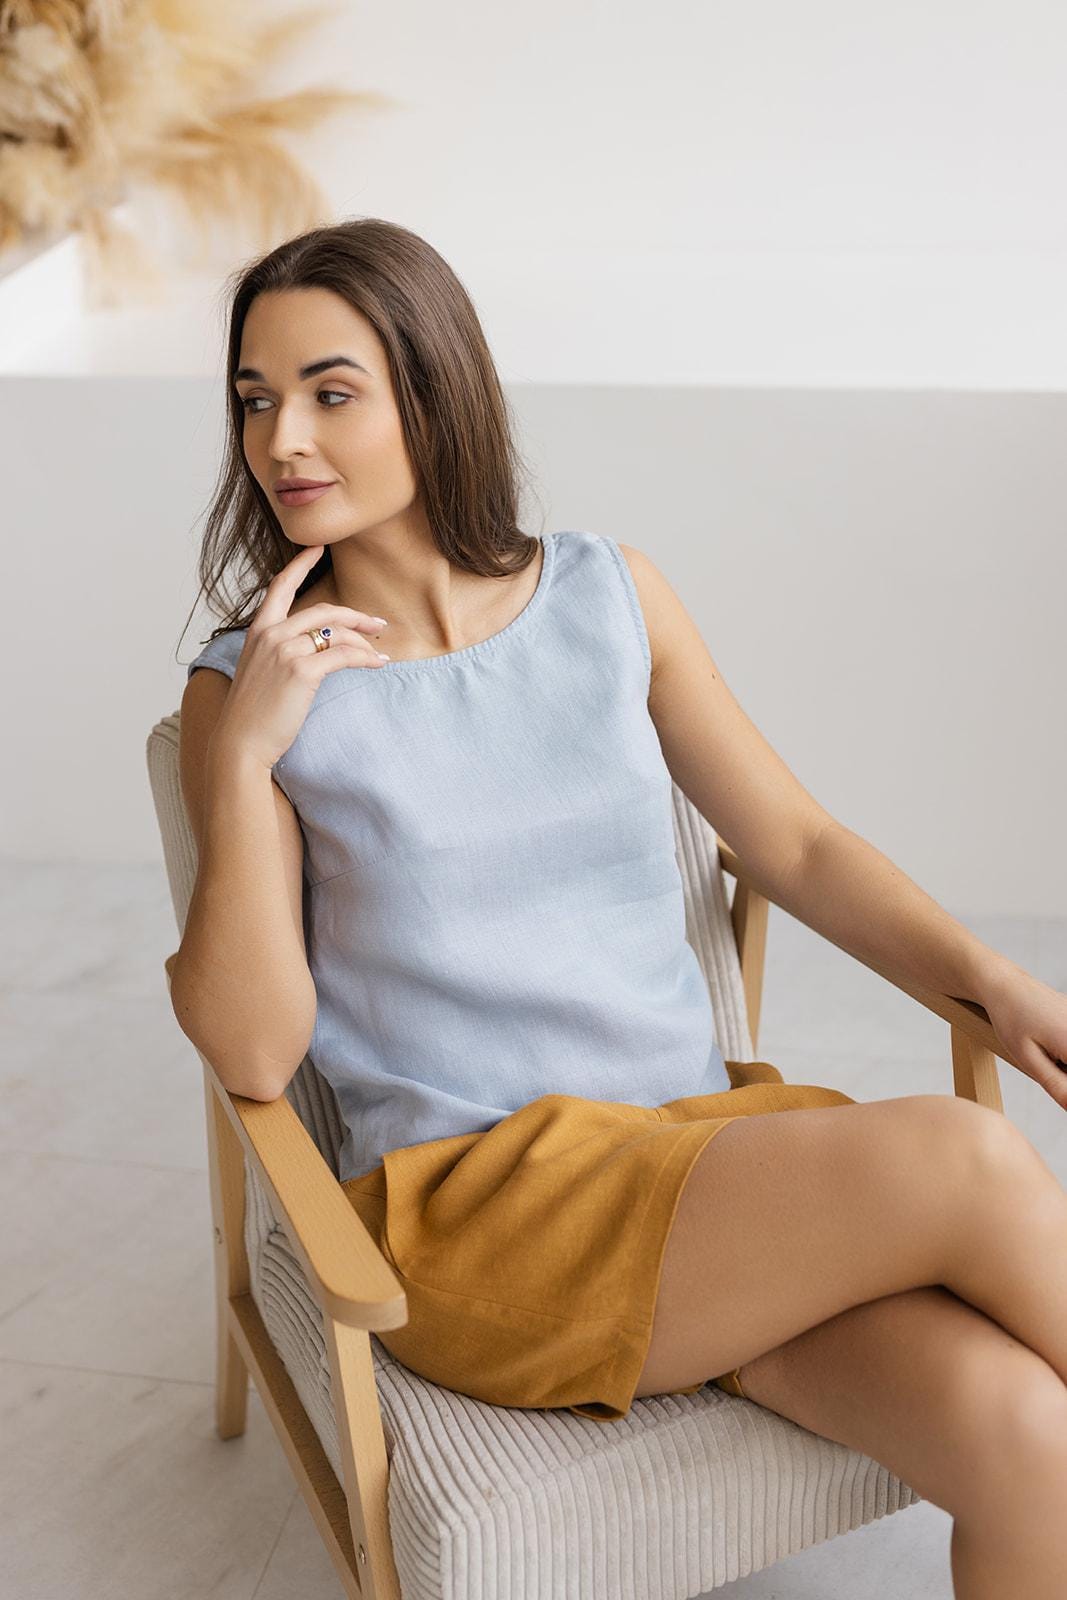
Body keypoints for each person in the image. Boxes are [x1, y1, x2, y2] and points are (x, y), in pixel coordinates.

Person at [172, 217, 1067, 1591]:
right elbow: (250, 1054)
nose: (282, 436)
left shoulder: (608, 595)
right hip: (489, 1210)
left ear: (432, 393)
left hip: (701, 1167)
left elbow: (799, 846)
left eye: (329, 392)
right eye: (255, 398)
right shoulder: (256, 690)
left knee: (1026, 1434)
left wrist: (992, 979)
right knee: (968, 1160)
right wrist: (240, 762)